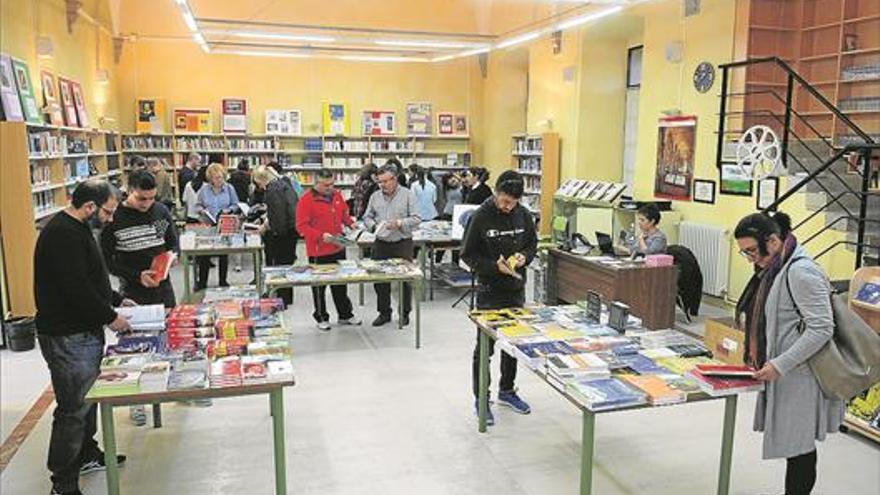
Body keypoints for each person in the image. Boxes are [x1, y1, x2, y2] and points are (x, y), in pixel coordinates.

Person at [734, 211, 843, 495]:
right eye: (744, 253)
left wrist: (780, 364)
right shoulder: (777, 269)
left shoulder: (800, 271)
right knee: (794, 447)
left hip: (801, 375)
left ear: (772, 240)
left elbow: (821, 328)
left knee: (799, 449)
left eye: (752, 251)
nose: (751, 259)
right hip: (787, 372)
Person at [34, 180, 132, 495]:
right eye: (107, 212)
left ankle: (86, 454)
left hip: (82, 332)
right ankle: (62, 483)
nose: (110, 219)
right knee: (73, 410)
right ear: (89, 207)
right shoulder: (62, 235)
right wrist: (110, 317)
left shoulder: (77, 229)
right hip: (67, 336)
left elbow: (91, 277)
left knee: (87, 402)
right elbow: (75, 288)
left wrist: (115, 299)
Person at [461, 170, 537, 425]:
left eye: (512, 203)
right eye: (503, 201)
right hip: (489, 292)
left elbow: (531, 245)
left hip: (515, 291)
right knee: (484, 349)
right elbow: (468, 255)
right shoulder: (480, 216)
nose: (507, 207)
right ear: (495, 193)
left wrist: (524, 257)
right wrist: (495, 267)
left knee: (512, 346)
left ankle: (507, 390)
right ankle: (481, 398)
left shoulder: (523, 214)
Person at [101, 169, 178, 308]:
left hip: (164, 291)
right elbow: (106, 261)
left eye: (152, 198)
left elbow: (172, 242)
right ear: (130, 190)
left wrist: (174, 256)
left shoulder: (160, 211)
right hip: (133, 292)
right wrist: (137, 276)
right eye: (141, 198)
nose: (147, 204)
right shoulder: (114, 216)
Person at [296, 169, 361, 330]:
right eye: (326, 185)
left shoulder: (337, 195)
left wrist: (350, 223)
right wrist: (319, 236)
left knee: (341, 283)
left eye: (332, 183)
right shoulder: (306, 200)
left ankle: (345, 314)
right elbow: (301, 227)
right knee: (319, 287)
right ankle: (321, 317)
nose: (330, 187)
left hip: (338, 246)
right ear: (316, 183)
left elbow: (344, 214)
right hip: (319, 251)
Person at [362, 163, 421, 327]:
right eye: (379, 182)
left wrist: (400, 223)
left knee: (404, 280)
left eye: (385, 181)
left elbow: (417, 219)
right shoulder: (375, 196)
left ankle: (404, 313)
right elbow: (366, 217)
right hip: (381, 243)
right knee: (379, 280)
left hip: (402, 243)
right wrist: (373, 226)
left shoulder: (408, 195)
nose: (382, 185)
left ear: (395, 179)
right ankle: (384, 313)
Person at [252, 165, 299, 304]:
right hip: (291, 230)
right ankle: (286, 296)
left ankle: (282, 298)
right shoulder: (284, 183)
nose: (258, 186)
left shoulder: (272, 190)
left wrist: (269, 229)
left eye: (257, 182)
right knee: (286, 265)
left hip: (282, 233)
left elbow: (278, 215)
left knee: (279, 266)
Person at [195, 163, 239, 290]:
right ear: (210, 178)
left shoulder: (229, 188)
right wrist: (202, 211)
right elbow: (197, 205)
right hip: (208, 225)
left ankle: (223, 281)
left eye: (221, 177)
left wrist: (229, 210)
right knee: (205, 254)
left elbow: (236, 204)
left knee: (223, 254)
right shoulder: (204, 190)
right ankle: (202, 282)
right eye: (216, 178)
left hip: (224, 223)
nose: (219, 180)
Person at [228, 161, 252, 271]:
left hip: (233, 209)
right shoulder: (249, 179)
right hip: (244, 208)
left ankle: (236, 263)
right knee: (242, 234)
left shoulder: (231, 178)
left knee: (233, 234)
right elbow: (250, 194)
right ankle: (241, 261)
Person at [435, 172, 464, 264]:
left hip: (458, 215)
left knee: (456, 240)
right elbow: (435, 174)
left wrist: (456, 176)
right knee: (444, 239)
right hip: (448, 214)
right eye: (450, 179)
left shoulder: (461, 187)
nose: (452, 180)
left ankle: (455, 263)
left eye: (453, 178)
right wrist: (454, 175)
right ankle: (438, 260)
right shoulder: (447, 188)